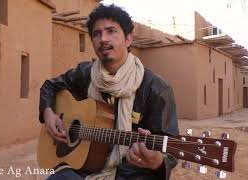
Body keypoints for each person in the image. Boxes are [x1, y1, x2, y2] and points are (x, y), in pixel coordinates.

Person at [39, 4, 179, 180]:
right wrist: (49, 114)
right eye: (96, 34)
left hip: (132, 173)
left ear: (128, 39)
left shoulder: (156, 88)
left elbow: (171, 150)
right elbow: (50, 86)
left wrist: (157, 160)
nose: (103, 39)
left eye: (111, 31)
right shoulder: (85, 73)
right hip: (85, 168)